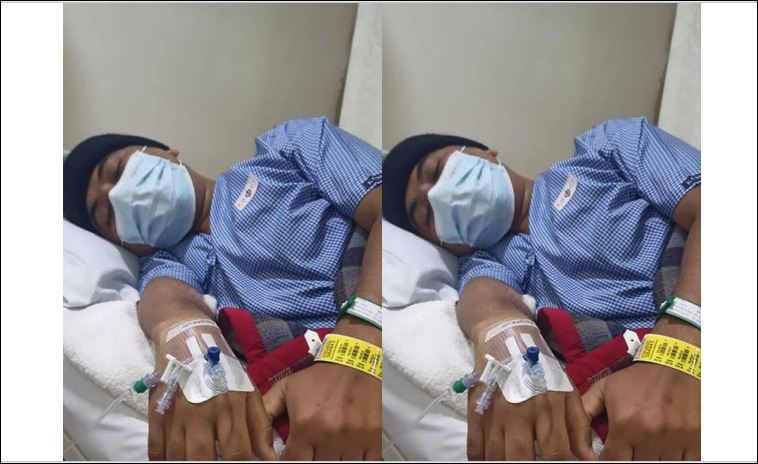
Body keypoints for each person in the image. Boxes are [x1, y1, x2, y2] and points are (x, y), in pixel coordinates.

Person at [63, 117, 383, 461]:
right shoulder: (169, 262)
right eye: (107, 214)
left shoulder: (287, 147)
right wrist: (187, 339)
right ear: (127, 243)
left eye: (118, 170)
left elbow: (387, 214)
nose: (119, 195)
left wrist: (359, 342)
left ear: (167, 153)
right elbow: (169, 303)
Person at [382, 116, 701, 461]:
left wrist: (678, 347)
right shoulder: (489, 263)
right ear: (447, 243)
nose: (438, 195)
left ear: (486, 154)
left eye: (438, 169)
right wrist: (506, 339)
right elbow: (488, 302)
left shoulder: (606, 148)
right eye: (426, 215)